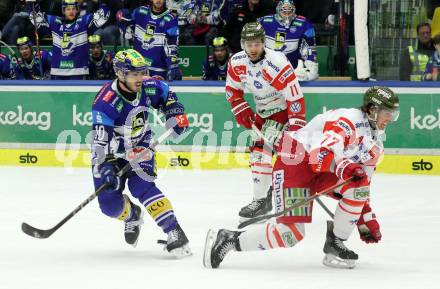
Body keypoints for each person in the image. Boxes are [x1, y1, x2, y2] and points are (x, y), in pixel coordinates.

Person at [203, 86, 400, 269]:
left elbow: (361, 184)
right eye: (387, 112)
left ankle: (335, 242)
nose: (390, 118)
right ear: (373, 109)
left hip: (323, 172)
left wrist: (365, 219)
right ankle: (229, 239)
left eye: (393, 113)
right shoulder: (349, 121)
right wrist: (346, 169)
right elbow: (319, 156)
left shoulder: (376, 145)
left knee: (359, 189)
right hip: (295, 163)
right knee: (290, 234)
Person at [91, 48, 192, 257]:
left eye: (141, 72)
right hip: (110, 153)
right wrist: (107, 168)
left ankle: (174, 231)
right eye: (134, 74)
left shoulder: (148, 86)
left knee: (142, 186)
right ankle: (132, 215)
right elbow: (100, 145)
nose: (140, 78)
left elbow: (166, 93)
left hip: (140, 144)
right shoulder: (105, 103)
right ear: (120, 74)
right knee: (109, 206)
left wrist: (175, 112)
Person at [225, 22, 306, 223]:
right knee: (258, 154)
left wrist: (295, 127)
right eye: (249, 44)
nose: (253, 49)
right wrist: (240, 107)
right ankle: (262, 200)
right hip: (262, 114)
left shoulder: (276, 62)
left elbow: (295, 97)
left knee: (282, 157)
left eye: (257, 44)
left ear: (263, 43)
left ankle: (271, 198)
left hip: (282, 113)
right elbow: (232, 90)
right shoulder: (237, 62)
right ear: (243, 44)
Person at [28, 0, 110, 80]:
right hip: (57, 71)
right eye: (68, 9)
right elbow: (36, 19)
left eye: (73, 9)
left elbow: (102, 16)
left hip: (78, 71)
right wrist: (34, 5)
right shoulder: (54, 22)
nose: (71, 11)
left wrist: (104, 3)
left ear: (77, 10)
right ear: (63, 11)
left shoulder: (84, 22)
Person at [117, 0, 181, 81]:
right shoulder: (139, 12)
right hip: (137, 67)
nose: (158, 0)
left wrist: (173, 66)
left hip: (158, 70)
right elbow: (127, 29)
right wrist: (121, 20)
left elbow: (173, 46)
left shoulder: (171, 19)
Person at [259, 0, 318, 81]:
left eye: (289, 11)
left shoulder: (304, 23)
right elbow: (252, 45)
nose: (287, 14)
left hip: (293, 70)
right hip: (267, 69)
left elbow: (310, 49)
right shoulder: (263, 22)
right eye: (284, 11)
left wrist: (310, 71)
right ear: (278, 9)